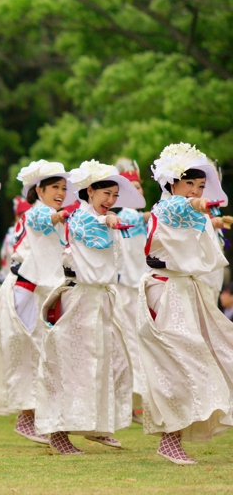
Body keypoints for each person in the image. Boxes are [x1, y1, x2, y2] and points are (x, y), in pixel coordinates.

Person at [34, 159, 142, 455]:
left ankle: (97, 425)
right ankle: (58, 432)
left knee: (110, 362)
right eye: (106, 193)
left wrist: (110, 221)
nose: (111, 201)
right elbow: (89, 227)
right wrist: (106, 221)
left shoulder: (101, 218)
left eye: (115, 196)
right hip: (80, 297)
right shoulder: (81, 218)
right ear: (90, 191)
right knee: (74, 364)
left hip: (101, 298)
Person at [137, 143, 233, 464]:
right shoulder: (168, 207)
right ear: (172, 184)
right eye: (189, 182)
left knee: (216, 351)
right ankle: (170, 438)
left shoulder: (186, 212)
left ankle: (175, 436)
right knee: (180, 362)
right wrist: (201, 202)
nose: (195, 189)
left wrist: (213, 218)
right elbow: (184, 208)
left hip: (186, 290)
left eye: (200, 184)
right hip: (165, 290)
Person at [0, 160, 74, 444]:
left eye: (63, 187)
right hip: (24, 291)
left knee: (39, 353)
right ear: (39, 189)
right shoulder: (37, 213)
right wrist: (59, 217)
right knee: (27, 351)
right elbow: (42, 221)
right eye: (55, 187)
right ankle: (27, 417)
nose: (61, 192)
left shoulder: (53, 215)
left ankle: (31, 417)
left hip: (41, 293)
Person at [114, 157, 149, 423]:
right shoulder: (125, 215)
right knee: (129, 346)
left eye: (141, 188)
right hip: (125, 289)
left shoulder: (131, 216)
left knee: (134, 346)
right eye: (135, 189)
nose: (140, 193)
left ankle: (133, 404)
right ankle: (128, 404)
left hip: (134, 287)